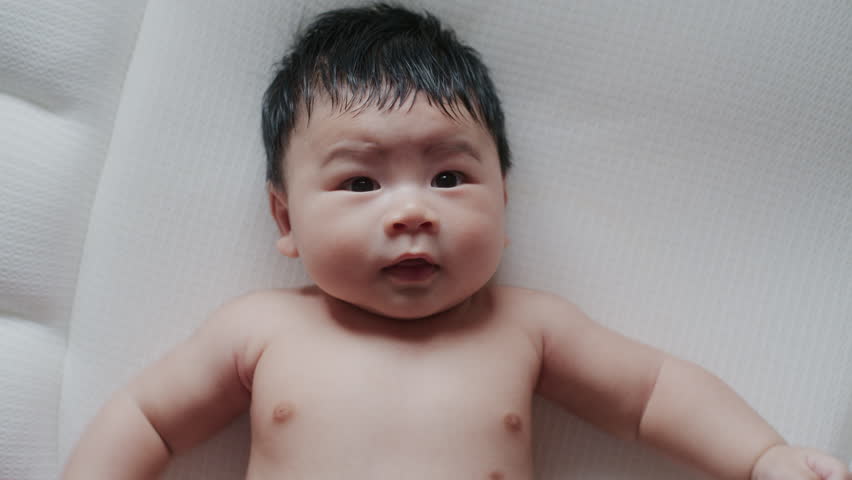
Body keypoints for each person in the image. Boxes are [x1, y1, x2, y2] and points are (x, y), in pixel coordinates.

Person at [63, 3, 850, 479]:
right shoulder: (261, 330)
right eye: (360, 184)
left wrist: (760, 457)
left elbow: (652, 396)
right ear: (286, 222)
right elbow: (148, 418)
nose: (411, 212)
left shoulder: (524, 327)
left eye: (447, 178)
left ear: (504, 206)